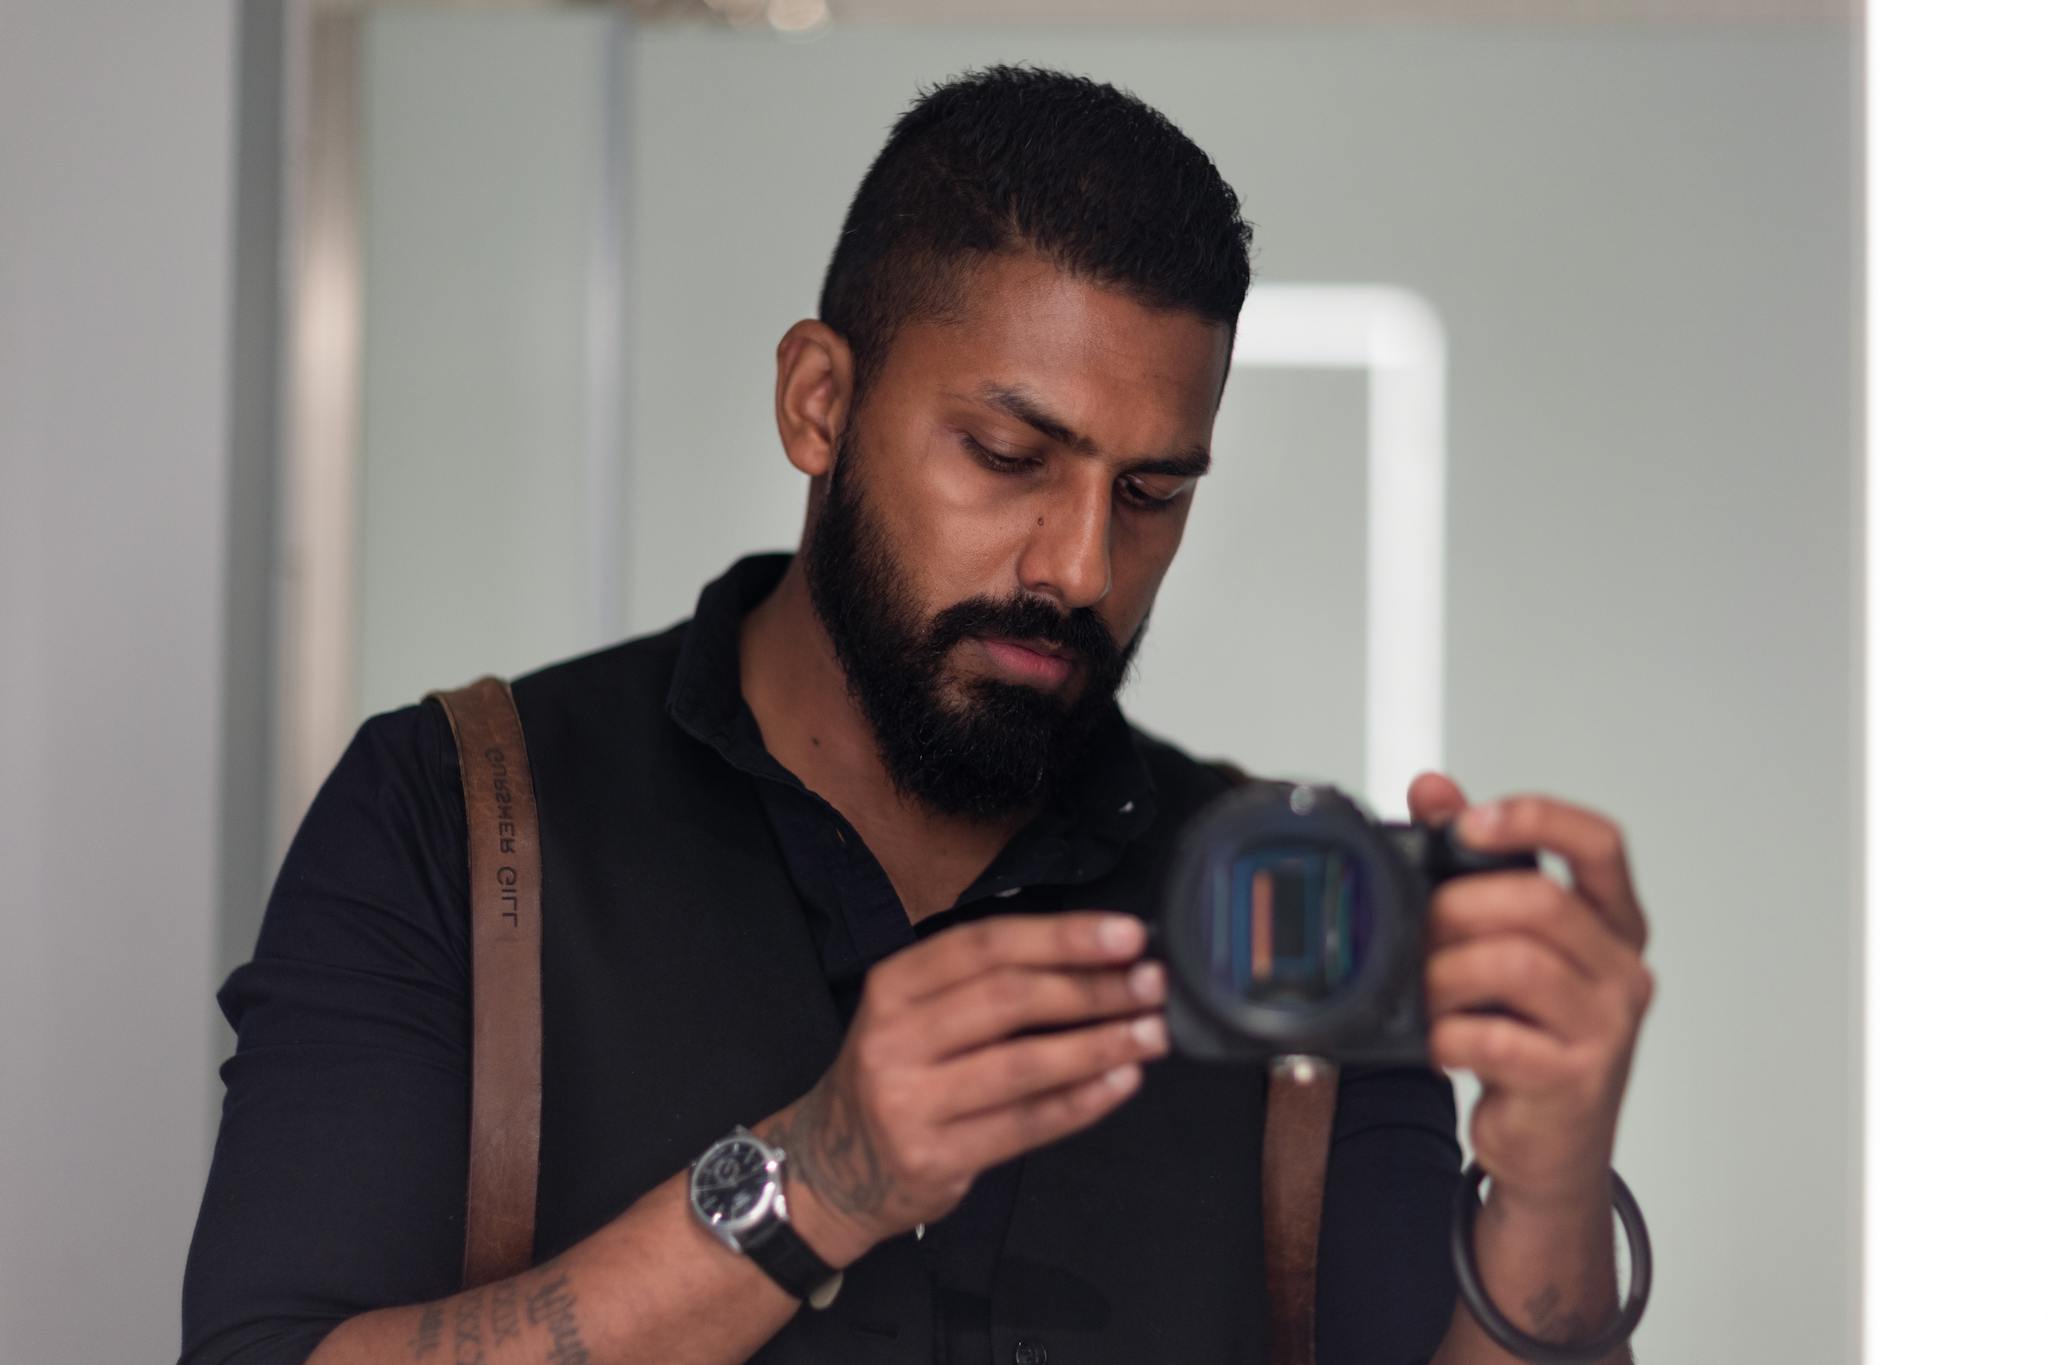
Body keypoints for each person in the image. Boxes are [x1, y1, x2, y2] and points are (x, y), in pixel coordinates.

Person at [180, 64, 1654, 1365]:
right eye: (1010, 454)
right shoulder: (465, 817)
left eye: (1150, 493)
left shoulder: (1287, 910)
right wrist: (816, 1180)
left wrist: (1549, 1197)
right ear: (818, 402)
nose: (1079, 566)